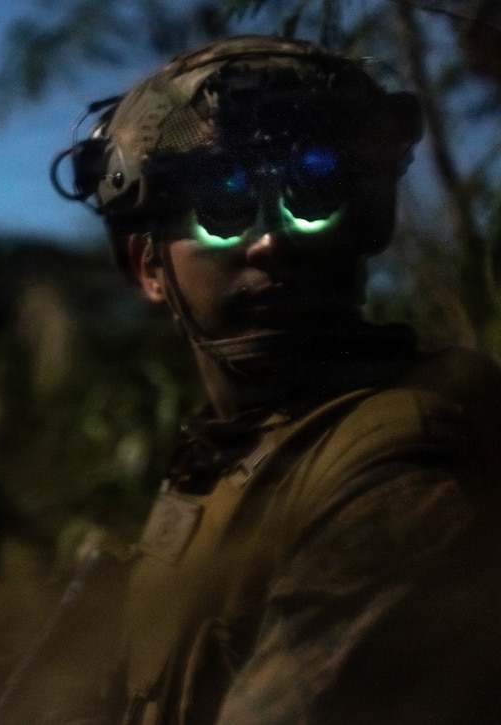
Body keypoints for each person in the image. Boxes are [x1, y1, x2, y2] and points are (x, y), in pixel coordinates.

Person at [43, 34, 501, 724]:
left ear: (367, 220)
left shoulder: (401, 458)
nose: (270, 239)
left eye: (311, 192)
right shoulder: (237, 447)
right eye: (221, 204)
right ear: (146, 266)